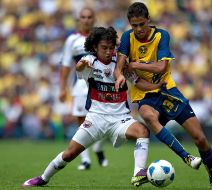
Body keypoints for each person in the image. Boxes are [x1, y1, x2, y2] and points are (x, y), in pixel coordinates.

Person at [22, 26, 167, 188]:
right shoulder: (90, 62)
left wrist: (157, 85)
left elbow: (139, 83)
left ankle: (138, 173)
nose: (108, 51)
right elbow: (79, 68)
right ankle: (43, 178)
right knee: (70, 153)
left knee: (142, 131)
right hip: (95, 119)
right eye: (104, 48)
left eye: (111, 48)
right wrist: (82, 64)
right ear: (95, 47)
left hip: (120, 119)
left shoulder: (120, 66)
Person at [114, 2, 212, 189]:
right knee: (148, 116)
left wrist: (135, 65)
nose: (138, 29)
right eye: (134, 25)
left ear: (148, 20)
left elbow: (161, 67)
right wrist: (120, 75)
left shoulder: (161, 36)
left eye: (141, 24)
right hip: (145, 94)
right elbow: (119, 67)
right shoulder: (127, 37)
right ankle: (186, 157)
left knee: (200, 138)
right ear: (129, 24)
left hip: (168, 91)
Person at [59, 7, 108, 170]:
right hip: (79, 85)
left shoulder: (101, 38)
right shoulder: (71, 40)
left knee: (103, 121)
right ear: (79, 19)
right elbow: (66, 64)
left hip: (100, 84)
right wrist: (62, 88)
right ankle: (85, 160)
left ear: (94, 19)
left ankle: (98, 148)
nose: (86, 20)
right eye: (83, 17)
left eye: (89, 17)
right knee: (81, 122)